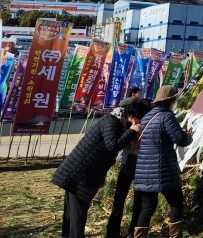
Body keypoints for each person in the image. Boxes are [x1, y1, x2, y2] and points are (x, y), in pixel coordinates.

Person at [51, 102, 143, 238]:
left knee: (72, 216)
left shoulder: (116, 124)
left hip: (80, 173)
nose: (138, 124)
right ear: (130, 116)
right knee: (77, 217)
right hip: (79, 175)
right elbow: (112, 145)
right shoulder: (111, 121)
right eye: (137, 120)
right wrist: (131, 132)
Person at [133, 86, 193, 238]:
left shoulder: (146, 117)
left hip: (144, 171)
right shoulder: (167, 117)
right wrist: (189, 136)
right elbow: (179, 139)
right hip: (163, 169)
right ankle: (175, 236)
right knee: (176, 203)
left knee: (147, 207)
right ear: (171, 101)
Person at [107, 95, 153, 238]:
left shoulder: (147, 121)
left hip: (141, 162)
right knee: (119, 198)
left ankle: (132, 233)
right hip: (128, 160)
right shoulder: (123, 121)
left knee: (138, 201)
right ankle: (112, 232)